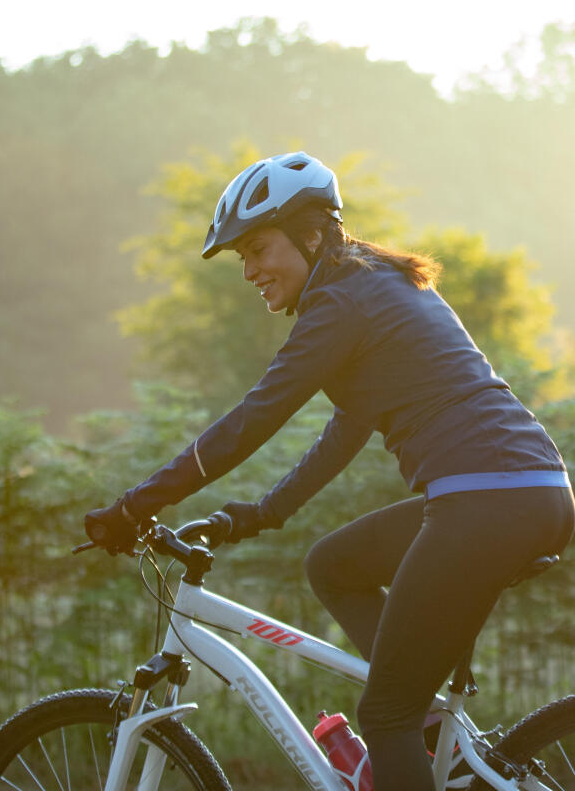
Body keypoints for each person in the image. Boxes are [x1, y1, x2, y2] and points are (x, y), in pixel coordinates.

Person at [83, 152, 574, 789]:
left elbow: (251, 420)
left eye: (258, 249)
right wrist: (260, 514)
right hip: (524, 491)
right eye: (242, 258)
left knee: (385, 717)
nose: (250, 271)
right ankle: (434, 737)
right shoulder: (372, 283)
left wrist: (136, 505)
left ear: (311, 235)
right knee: (334, 566)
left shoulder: (342, 302)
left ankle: (412, 729)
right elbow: (345, 431)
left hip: (485, 499)